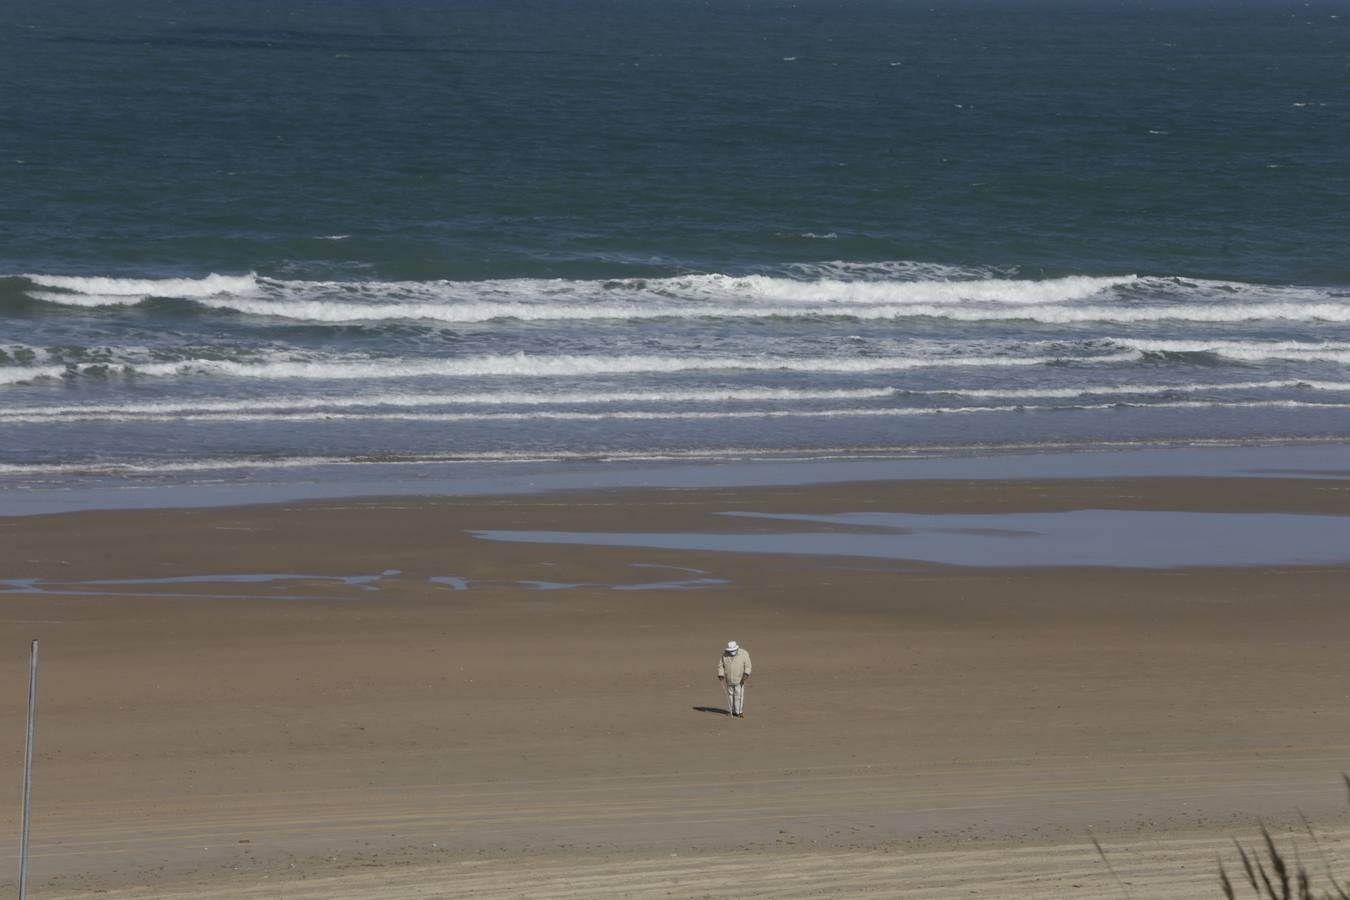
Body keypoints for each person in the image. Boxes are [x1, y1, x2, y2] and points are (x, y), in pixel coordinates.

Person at [717, 640, 752, 718]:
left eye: (733, 650)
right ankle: (731, 711)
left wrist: (745, 676)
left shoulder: (744, 653)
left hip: (740, 679)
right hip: (729, 679)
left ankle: (739, 711)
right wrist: (720, 674)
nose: (732, 652)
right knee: (730, 695)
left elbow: (748, 666)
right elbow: (721, 665)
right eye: (730, 650)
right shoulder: (724, 654)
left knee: (739, 695)